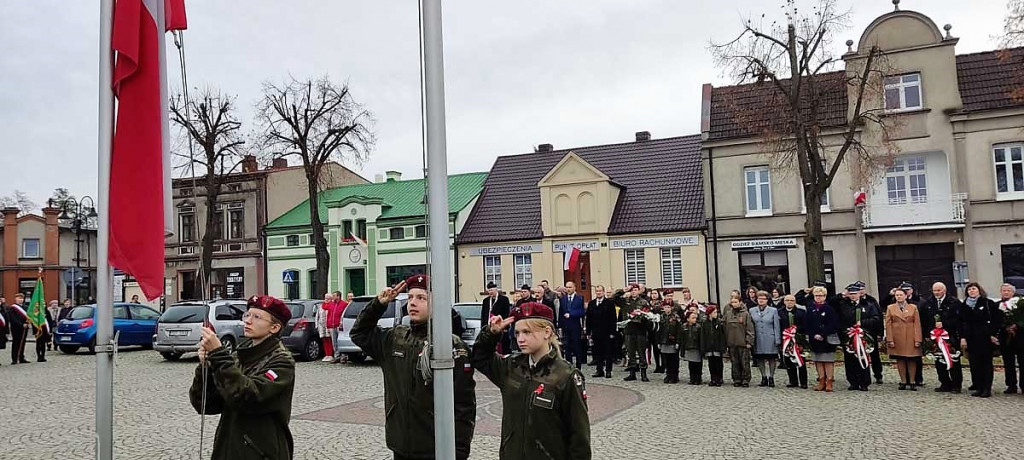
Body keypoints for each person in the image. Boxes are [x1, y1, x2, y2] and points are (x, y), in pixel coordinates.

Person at [350, 275, 476, 459]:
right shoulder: (396, 338)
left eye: (421, 298)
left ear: (437, 303)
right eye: (410, 298)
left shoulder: (450, 346)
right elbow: (359, 333)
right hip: (401, 442)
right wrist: (378, 304)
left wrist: (459, 451)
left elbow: (464, 404)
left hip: (435, 446)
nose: (413, 303)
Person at [473, 301, 591, 459]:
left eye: (527, 332)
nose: (520, 339)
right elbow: (480, 358)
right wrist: (492, 333)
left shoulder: (566, 375)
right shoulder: (511, 367)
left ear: (547, 332)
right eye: (517, 333)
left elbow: (579, 436)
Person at [189, 295, 296, 460]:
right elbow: (206, 404)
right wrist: (206, 368)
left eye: (257, 317)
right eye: (247, 315)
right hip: (229, 448)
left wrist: (219, 356)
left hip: (260, 451)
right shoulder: (239, 357)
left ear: (274, 328)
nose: (248, 321)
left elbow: (248, 397)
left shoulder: (281, 362)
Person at [833, 283, 882, 391]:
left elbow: (876, 318)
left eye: (855, 293)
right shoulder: (843, 304)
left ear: (860, 293)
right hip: (848, 336)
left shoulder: (868, 304)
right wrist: (841, 295)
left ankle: (864, 382)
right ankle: (853, 382)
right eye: (851, 294)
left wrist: (863, 323)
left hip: (863, 335)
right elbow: (831, 304)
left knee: (863, 357)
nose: (853, 296)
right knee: (850, 359)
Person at [961, 282, 1002, 398]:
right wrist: (963, 337)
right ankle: (978, 386)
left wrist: (993, 334)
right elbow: (962, 322)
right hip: (971, 338)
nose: (971, 291)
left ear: (979, 290)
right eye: (969, 290)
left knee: (986, 364)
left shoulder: (988, 303)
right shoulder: (964, 305)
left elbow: (996, 320)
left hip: (985, 338)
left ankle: (987, 388)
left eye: (973, 289)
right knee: (975, 364)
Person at [921, 282, 964, 393]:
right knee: (938, 360)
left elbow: (959, 319)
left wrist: (944, 323)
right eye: (934, 291)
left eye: (938, 290)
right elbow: (925, 320)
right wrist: (927, 335)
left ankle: (956, 385)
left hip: (950, 337)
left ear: (944, 290)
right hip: (934, 337)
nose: (936, 293)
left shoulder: (954, 302)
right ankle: (944, 383)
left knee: (953, 360)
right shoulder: (928, 303)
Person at [883, 281, 925, 386]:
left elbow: (917, 324)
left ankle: (912, 381)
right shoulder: (890, 308)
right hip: (897, 337)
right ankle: (903, 380)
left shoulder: (913, 307)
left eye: (901, 295)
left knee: (911, 359)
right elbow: (888, 324)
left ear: (906, 296)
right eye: (897, 295)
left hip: (911, 336)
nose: (899, 297)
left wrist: (918, 339)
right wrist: (890, 339)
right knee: (900, 359)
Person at [614, 284, 653, 382]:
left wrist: (642, 317)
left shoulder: (644, 302)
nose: (634, 292)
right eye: (632, 290)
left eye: (636, 290)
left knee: (641, 352)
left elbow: (648, 315)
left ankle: (643, 373)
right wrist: (622, 290)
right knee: (630, 352)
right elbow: (614, 298)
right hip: (629, 330)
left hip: (640, 331)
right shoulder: (626, 301)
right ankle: (632, 373)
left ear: (639, 291)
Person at [804, 286, 839, 392]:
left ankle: (829, 381)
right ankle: (821, 381)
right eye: (816, 296)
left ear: (825, 296)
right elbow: (807, 324)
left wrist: (823, 334)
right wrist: (813, 334)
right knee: (818, 361)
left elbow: (833, 324)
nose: (818, 298)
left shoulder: (829, 308)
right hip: (814, 339)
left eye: (821, 296)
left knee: (828, 361)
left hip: (826, 339)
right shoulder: (810, 308)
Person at [996, 283, 1023, 394]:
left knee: (1022, 362)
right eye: (1004, 290)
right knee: (1008, 363)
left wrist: (1016, 325)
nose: (1006, 292)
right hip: (1005, 338)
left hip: (1020, 338)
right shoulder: (997, 305)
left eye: (1008, 291)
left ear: (1013, 292)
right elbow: (996, 321)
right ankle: (1011, 385)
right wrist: (1005, 327)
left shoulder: (1020, 304)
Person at [750, 291, 780, 387]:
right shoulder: (752, 310)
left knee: (771, 358)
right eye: (759, 299)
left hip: (770, 338)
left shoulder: (773, 310)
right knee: (760, 358)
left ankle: (771, 377)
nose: (761, 300)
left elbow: (776, 326)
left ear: (767, 300)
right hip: (758, 338)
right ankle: (763, 377)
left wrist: (777, 339)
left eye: (763, 299)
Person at [586, 285, 617, 379]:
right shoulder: (591, 303)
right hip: (595, 332)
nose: (598, 293)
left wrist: (612, 332)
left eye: (600, 291)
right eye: (597, 291)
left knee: (608, 353)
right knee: (597, 353)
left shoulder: (609, 303)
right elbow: (588, 319)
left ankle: (608, 371)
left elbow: (613, 319)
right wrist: (588, 332)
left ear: (603, 292)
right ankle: (599, 370)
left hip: (607, 332)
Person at [778, 294, 808, 388]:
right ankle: (793, 381)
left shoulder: (801, 312)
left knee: (800, 361)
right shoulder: (779, 312)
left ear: (795, 302)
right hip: (786, 340)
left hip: (798, 339)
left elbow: (805, 326)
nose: (789, 302)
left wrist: (795, 330)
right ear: (784, 302)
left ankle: (803, 382)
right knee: (788, 361)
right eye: (787, 300)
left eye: (791, 300)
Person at [724, 295, 754, 387]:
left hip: (743, 342)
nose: (734, 304)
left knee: (744, 362)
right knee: (734, 362)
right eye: (732, 302)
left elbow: (750, 329)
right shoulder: (728, 314)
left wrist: (749, 341)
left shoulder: (745, 314)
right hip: (731, 342)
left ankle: (745, 379)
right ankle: (736, 379)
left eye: (736, 302)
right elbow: (724, 328)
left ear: (740, 302)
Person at [559, 281, 586, 370]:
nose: (568, 289)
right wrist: (560, 326)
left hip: (575, 326)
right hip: (566, 327)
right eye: (567, 287)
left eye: (570, 287)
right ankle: (569, 366)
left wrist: (571, 314)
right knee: (567, 347)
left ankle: (578, 366)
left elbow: (581, 312)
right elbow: (561, 313)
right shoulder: (563, 299)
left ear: (574, 288)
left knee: (577, 346)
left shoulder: (579, 298)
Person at [480, 282, 511, 353]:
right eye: (489, 290)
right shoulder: (486, 301)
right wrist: (483, 327)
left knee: (502, 346)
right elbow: (483, 314)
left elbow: (506, 313)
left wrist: (505, 327)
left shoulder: (504, 299)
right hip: (489, 326)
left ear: (496, 290)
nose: (490, 292)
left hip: (500, 326)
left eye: (492, 290)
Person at [656, 299, 683, 384]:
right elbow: (658, 330)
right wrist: (658, 342)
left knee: (673, 359)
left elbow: (679, 330)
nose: (667, 309)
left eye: (668, 307)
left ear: (671, 308)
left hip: (672, 341)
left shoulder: (676, 317)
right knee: (666, 359)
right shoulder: (661, 317)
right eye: (665, 307)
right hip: (664, 341)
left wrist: (678, 342)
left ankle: (674, 375)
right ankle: (668, 374)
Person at [701, 304, 726, 386]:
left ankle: (719, 378)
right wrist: (703, 347)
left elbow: (722, 336)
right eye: (714, 312)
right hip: (709, 347)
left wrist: (723, 347)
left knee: (718, 363)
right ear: (710, 314)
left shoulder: (719, 322)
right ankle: (713, 378)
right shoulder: (705, 323)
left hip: (717, 346)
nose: (716, 314)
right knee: (711, 364)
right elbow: (703, 336)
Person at [322, 291, 348, 364]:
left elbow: (345, 314)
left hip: (339, 325)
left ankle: (343, 356)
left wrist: (342, 323)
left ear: (338, 296)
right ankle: (337, 356)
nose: (332, 297)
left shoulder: (344, 304)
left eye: (334, 295)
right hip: (331, 325)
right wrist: (328, 324)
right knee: (334, 342)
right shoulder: (331, 304)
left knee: (341, 341)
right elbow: (328, 312)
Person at [680, 310, 703, 385]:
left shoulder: (698, 327)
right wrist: (682, 350)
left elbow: (701, 339)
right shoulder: (684, 327)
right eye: (692, 318)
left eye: (695, 318)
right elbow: (682, 340)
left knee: (698, 364)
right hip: (688, 347)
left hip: (696, 348)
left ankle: (698, 378)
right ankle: (692, 378)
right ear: (688, 319)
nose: (694, 319)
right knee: (691, 364)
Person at [8, 293, 30, 364]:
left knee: (22, 342)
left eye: (21, 298)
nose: (20, 300)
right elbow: (13, 319)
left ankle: (21, 357)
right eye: (19, 298)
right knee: (16, 343)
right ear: (15, 299)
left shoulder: (26, 307)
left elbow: (28, 317)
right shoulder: (12, 308)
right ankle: (14, 358)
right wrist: (21, 324)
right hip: (16, 328)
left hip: (24, 328)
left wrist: (27, 323)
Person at [647, 289, 664, 374]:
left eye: (655, 293)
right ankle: (657, 365)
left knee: (660, 348)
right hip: (651, 329)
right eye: (652, 293)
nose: (653, 295)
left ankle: (663, 365)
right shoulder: (648, 303)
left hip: (659, 328)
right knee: (654, 348)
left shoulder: (661, 304)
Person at [316, 293, 333, 362]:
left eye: (328, 298)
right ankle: (326, 354)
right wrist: (316, 325)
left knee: (330, 340)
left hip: (329, 325)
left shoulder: (332, 306)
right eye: (326, 298)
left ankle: (330, 354)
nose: (326, 299)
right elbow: (317, 316)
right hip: (321, 326)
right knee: (324, 340)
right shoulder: (320, 306)